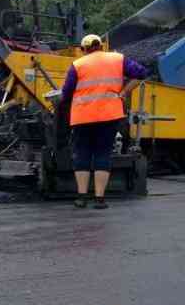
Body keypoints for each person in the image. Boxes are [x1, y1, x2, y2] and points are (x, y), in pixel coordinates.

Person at [61, 34, 147, 209]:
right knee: (103, 154)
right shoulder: (118, 59)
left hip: (82, 117)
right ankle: (100, 199)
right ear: (101, 46)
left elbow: (67, 92)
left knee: (82, 154)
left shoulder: (78, 64)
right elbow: (142, 73)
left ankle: (82, 197)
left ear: (84, 49)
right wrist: (123, 93)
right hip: (109, 116)